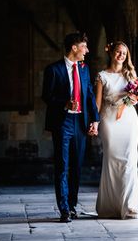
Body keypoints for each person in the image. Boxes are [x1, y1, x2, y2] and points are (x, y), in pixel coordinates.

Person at [42, 31, 100, 223]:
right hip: (62, 122)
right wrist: (64, 104)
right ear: (74, 48)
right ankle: (64, 209)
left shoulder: (84, 69)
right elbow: (46, 96)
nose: (87, 50)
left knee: (76, 166)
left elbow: (90, 94)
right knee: (62, 166)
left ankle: (73, 205)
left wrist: (95, 119)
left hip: (80, 123)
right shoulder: (53, 70)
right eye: (84, 46)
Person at [94, 41, 138, 219]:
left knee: (129, 161)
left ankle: (130, 206)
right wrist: (94, 122)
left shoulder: (130, 74)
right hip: (109, 120)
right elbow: (98, 103)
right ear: (111, 53)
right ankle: (111, 206)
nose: (121, 55)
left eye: (124, 53)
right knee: (112, 161)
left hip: (129, 121)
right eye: (118, 52)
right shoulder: (101, 76)